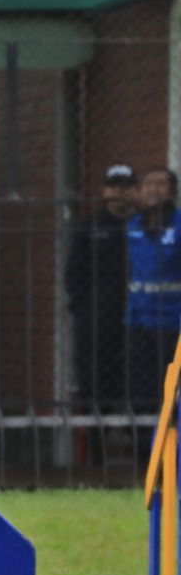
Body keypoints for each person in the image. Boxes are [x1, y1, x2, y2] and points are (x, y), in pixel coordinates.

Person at [64, 164, 136, 432]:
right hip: (97, 322)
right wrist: (86, 311)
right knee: (95, 386)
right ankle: (96, 451)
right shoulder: (90, 226)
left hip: (136, 319)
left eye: (126, 186)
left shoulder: (143, 225)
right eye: (115, 186)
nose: (120, 192)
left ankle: (141, 449)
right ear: (105, 190)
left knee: (135, 384)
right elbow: (74, 274)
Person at [125, 166, 181, 413]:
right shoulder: (132, 226)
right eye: (148, 183)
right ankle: (145, 446)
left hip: (172, 322)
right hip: (138, 321)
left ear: (172, 192)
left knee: (170, 388)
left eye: (161, 183)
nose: (154, 189)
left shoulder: (179, 224)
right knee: (141, 390)